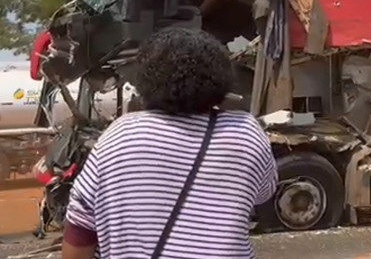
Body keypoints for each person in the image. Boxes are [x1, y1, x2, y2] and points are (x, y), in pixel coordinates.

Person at [61, 27, 277, 259]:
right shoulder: (245, 132)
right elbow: (263, 193)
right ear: (221, 77)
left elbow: (80, 231)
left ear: (146, 77)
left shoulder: (119, 137)